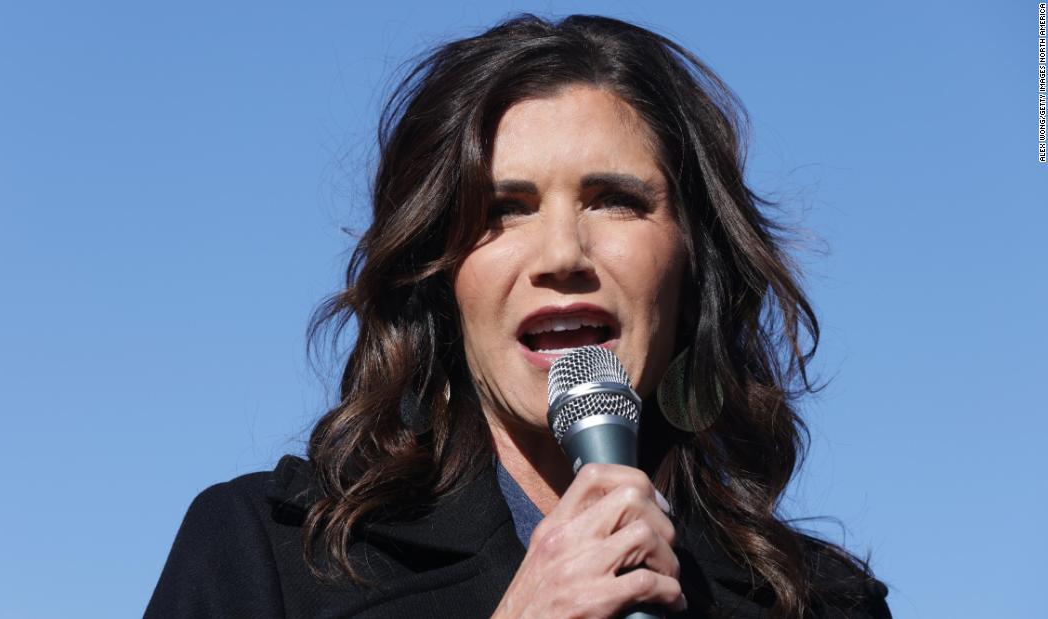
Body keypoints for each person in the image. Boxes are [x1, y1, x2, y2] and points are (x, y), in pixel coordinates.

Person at [146, 14, 891, 619]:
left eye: (614, 200)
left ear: (694, 262)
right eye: (504, 209)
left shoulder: (825, 602)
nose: (562, 254)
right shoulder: (266, 557)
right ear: (438, 273)